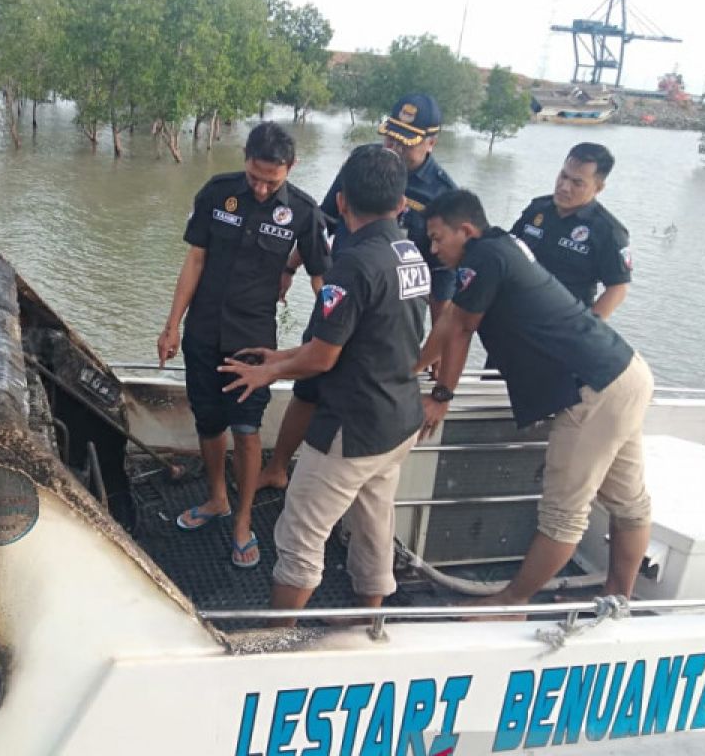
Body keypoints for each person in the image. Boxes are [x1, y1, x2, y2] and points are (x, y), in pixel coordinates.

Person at [417, 189, 654, 609]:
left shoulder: (483, 258)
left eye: (438, 238)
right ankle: (618, 597)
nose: (434, 249)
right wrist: (414, 368)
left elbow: (461, 329)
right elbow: (453, 317)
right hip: (626, 371)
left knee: (564, 512)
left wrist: (441, 395)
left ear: (466, 230)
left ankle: (511, 604)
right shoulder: (504, 245)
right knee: (629, 502)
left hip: (593, 390)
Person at [219, 144, 427, 621]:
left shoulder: (353, 265)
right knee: (375, 525)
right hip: (398, 420)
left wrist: (267, 371)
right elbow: (362, 339)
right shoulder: (409, 252)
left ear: (341, 202)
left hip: (350, 429)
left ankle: (276, 641)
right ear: (400, 204)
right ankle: (367, 622)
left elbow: (324, 356)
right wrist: (283, 355)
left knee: (299, 537)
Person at [157, 122, 330, 568]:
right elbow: (195, 259)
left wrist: (337, 329)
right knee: (208, 422)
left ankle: (243, 520)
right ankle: (216, 498)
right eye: (254, 175)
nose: (259, 187)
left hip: (254, 343)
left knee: (248, 431)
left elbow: (320, 277)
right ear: (245, 159)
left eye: (271, 180)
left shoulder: (305, 213)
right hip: (202, 332)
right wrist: (172, 325)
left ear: (290, 169)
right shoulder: (218, 193)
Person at [261, 92, 453, 493]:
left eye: (408, 141)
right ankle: (279, 467)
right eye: (392, 137)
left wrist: (439, 353)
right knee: (308, 386)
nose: (395, 147)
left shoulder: (442, 196)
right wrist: (290, 266)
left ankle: (338, 485)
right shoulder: (363, 164)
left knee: (363, 395)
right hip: (341, 291)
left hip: (389, 316)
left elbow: (441, 282)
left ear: (432, 142)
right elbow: (324, 223)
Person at [509, 142, 631, 319]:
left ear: (598, 188)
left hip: (561, 323)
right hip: (517, 312)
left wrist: (587, 330)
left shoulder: (608, 231)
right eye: (563, 176)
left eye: (577, 183)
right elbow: (509, 250)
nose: (564, 187)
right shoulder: (538, 209)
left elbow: (618, 288)